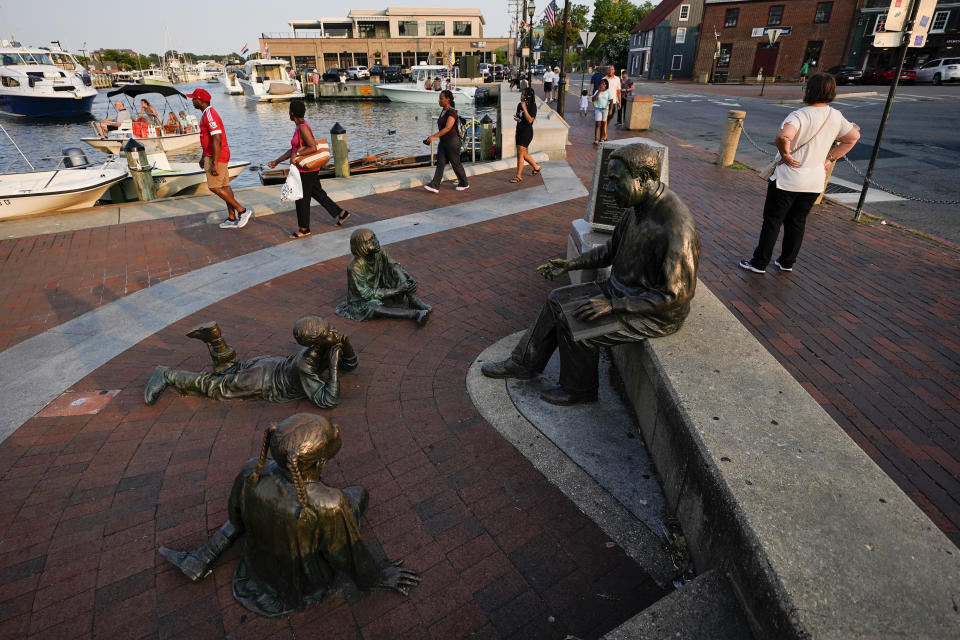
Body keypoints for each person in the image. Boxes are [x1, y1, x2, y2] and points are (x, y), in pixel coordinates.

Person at [481, 143, 700, 406]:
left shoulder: (676, 227)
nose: (608, 189)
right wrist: (572, 264)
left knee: (576, 321)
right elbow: (610, 251)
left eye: (615, 181)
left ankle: (580, 390)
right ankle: (523, 364)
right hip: (620, 292)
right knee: (556, 299)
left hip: (651, 314)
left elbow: (675, 295)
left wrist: (614, 305)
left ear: (642, 179)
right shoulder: (636, 208)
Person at [158, 413, 421, 618]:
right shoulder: (329, 502)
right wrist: (376, 576)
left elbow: (237, 520)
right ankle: (203, 557)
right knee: (359, 494)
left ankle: (203, 557)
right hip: (301, 581)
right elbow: (346, 553)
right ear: (319, 462)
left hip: (257, 566)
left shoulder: (252, 469)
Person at [739, 73, 860, 274]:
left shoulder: (800, 115)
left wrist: (785, 154)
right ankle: (787, 261)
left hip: (788, 178)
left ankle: (759, 262)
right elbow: (853, 137)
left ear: (809, 91)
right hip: (814, 181)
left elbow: (783, 135)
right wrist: (830, 158)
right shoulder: (835, 116)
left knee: (773, 221)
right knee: (797, 221)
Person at [144, 315, 357, 409]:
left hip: (269, 364)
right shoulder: (306, 364)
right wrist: (335, 365)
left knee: (230, 371)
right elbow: (328, 401)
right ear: (316, 342)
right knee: (217, 386)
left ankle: (216, 338)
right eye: (329, 331)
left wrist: (345, 346)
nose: (335, 332)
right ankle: (167, 374)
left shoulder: (324, 345)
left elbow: (352, 364)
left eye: (331, 328)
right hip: (264, 381)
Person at [267, 100, 350, 238]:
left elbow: (312, 147)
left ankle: (304, 228)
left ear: (292, 113)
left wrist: (298, 154)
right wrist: (277, 161)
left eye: (289, 110)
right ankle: (341, 213)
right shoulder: (300, 126)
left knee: (301, 199)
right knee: (318, 193)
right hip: (308, 169)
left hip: (305, 170)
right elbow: (294, 149)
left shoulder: (303, 128)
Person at [186, 88, 252, 229]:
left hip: (217, 156)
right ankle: (232, 217)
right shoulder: (206, 114)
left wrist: (214, 162)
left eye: (194, 98)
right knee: (224, 186)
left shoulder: (209, 114)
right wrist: (203, 156)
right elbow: (208, 139)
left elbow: (217, 138)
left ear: (201, 101)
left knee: (214, 186)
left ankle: (242, 211)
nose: (192, 101)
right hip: (214, 154)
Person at [335, 228, 432, 325]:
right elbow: (366, 294)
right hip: (363, 300)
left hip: (381, 287)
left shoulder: (380, 251)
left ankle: (413, 299)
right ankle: (415, 314)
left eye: (374, 237)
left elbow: (394, 265)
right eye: (369, 241)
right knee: (372, 307)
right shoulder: (355, 267)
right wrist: (397, 290)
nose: (376, 241)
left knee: (395, 269)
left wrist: (409, 277)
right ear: (361, 247)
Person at [423, 89, 469, 193]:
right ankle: (435, 185)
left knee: (455, 163)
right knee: (440, 163)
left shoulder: (452, 112)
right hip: (443, 142)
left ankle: (464, 183)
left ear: (447, 100)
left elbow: (448, 128)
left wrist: (433, 136)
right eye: (439, 98)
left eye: (441, 98)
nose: (439, 100)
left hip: (452, 142)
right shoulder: (443, 111)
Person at [511, 87, 542, 183]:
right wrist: (517, 119)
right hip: (519, 131)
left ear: (528, 96)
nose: (521, 95)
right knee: (522, 153)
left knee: (520, 153)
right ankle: (536, 167)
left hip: (527, 132)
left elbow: (530, 120)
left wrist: (524, 108)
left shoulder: (533, 106)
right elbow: (519, 117)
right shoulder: (519, 105)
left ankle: (518, 176)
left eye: (523, 94)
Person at [592, 78, 611, 145]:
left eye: (603, 84)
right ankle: (596, 139)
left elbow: (611, 100)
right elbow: (593, 99)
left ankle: (602, 138)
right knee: (598, 124)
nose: (602, 85)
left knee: (603, 124)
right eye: (601, 83)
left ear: (606, 85)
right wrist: (599, 91)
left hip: (605, 109)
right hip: (598, 109)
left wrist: (610, 110)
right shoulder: (597, 91)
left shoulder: (608, 92)